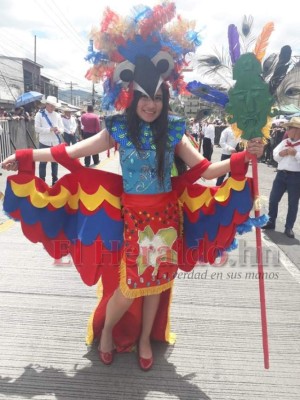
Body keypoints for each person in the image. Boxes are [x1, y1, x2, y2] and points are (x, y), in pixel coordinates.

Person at [1, 3, 264, 372]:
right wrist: (27, 156)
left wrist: (241, 159)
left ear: (164, 98)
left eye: (158, 98)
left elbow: (204, 171)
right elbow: (71, 151)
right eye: (145, 98)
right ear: (133, 98)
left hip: (169, 216)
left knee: (158, 282)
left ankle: (144, 340)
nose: (151, 105)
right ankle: (108, 331)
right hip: (133, 219)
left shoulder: (174, 130)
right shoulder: (118, 129)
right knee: (128, 284)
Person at [262, 117, 300, 238]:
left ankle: (289, 227)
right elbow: (275, 156)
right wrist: (281, 154)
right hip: (281, 174)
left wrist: (296, 154)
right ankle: (271, 221)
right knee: (273, 199)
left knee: (293, 203)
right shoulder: (285, 142)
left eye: (290, 128)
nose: (287, 131)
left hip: (295, 176)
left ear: (298, 130)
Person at [34, 95, 64, 186]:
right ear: (46, 105)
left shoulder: (57, 115)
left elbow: (62, 128)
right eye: (51, 105)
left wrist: (59, 130)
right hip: (44, 142)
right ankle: (41, 182)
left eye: (54, 106)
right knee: (43, 163)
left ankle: (55, 180)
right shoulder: (39, 114)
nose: (52, 108)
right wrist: (49, 129)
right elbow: (37, 129)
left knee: (55, 163)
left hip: (55, 142)